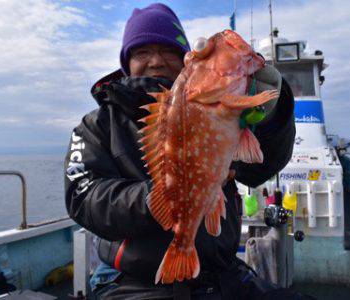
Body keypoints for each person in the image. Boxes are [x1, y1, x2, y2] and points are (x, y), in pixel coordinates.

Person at [65, 3, 310, 299]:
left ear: (185, 60)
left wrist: (273, 112)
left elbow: (262, 167)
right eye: (142, 52)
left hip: (224, 273)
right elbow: (84, 198)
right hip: (132, 282)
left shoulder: (220, 105)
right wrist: (163, 198)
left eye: (168, 50)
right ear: (126, 62)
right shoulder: (96, 125)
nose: (155, 61)